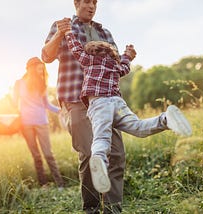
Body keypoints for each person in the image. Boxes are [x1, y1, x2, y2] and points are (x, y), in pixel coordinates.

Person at [63, 31, 192, 193]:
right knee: (139, 127)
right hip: (117, 103)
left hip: (99, 103)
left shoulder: (89, 59)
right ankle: (165, 119)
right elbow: (125, 65)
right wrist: (127, 55)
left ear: (91, 52)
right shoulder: (115, 65)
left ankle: (99, 160)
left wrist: (69, 33)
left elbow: (76, 50)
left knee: (101, 136)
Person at [41, 1, 135, 213]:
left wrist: (127, 56)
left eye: (94, 2)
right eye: (86, 1)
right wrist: (59, 34)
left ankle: (112, 209)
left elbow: (115, 65)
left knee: (117, 154)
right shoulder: (63, 26)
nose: (91, 6)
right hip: (75, 99)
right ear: (76, 3)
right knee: (91, 155)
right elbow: (46, 56)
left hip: (106, 101)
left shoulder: (105, 32)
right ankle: (91, 209)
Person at [12, 57, 64, 189]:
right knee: (36, 156)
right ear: (31, 68)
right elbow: (14, 103)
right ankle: (43, 184)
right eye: (39, 69)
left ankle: (60, 184)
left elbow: (47, 104)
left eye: (42, 69)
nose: (41, 72)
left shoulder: (42, 84)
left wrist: (61, 110)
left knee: (48, 154)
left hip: (42, 122)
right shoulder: (19, 84)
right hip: (25, 124)